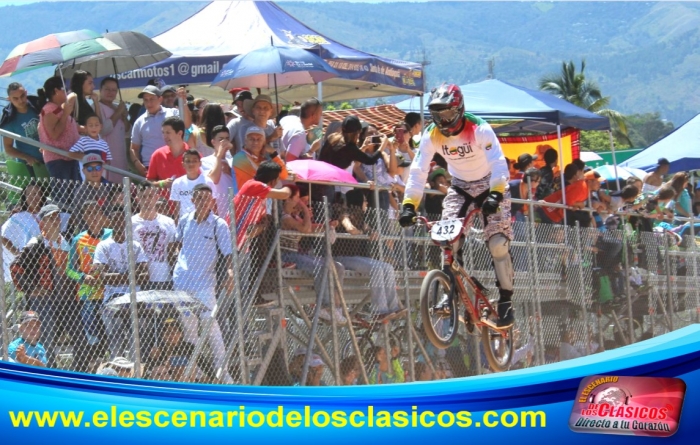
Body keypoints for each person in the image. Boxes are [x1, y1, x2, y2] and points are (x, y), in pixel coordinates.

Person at [399, 84, 515, 328]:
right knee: (448, 241)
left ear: (460, 109)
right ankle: (449, 290)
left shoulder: (480, 128)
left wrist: (495, 194)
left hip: (490, 185)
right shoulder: (431, 134)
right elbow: (418, 171)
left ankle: (506, 300)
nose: (443, 120)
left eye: (448, 113)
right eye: (437, 114)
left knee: (497, 243)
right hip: (460, 186)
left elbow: (498, 163)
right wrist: (409, 205)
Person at [170, 183, 234, 384]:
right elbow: (177, 243)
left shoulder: (218, 224)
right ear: (193, 200)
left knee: (210, 326)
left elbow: (228, 252)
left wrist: (230, 273)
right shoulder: (184, 220)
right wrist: (177, 260)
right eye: (199, 198)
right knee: (189, 328)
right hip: (182, 281)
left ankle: (223, 373)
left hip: (205, 284)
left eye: (206, 198)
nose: (203, 201)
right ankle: (195, 372)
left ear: (212, 201)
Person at [9, 204, 70, 367]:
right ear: (42, 223)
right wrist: (32, 288)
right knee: (46, 339)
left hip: (63, 299)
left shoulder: (64, 242)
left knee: (62, 336)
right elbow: (15, 267)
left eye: (57, 217)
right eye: (50, 218)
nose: (55, 221)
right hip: (43, 300)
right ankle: (46, 371)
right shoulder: (36, 243)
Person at [94, 205, 149, 360]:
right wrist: (133, 274)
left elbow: (145, 275)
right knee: (115, 339)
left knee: (135, 340)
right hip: (113, 298)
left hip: (134, 297)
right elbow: (104, 277)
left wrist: (117, 277)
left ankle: (133, 369)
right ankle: (116, 367)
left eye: (121, 219)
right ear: (110, 222)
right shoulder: (103, 246)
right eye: (115, 219)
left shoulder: (135, 245)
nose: (118, 222)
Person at [130, 85, 191, 176]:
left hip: (173, 162)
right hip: (150, 165)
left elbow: (187, 124)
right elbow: (134, 148)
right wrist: (137, 164)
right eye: (146, 100)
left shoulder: (173, 112)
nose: (149, 103)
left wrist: (183, 102)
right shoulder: (139, 122)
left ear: (160, 99)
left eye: (151, 99)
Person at [37, 75, 81, 185]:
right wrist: (65, 114)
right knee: (62, 191)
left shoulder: (59, 108)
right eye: (64, 89)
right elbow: (54, 134)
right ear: (56, 91)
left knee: (75, 191)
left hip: (69, 156)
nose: (67, 91)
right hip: (58, 158)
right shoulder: (49, 110)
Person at [132, 185, 177, 291]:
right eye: (143, 197)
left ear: (156, 197)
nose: (147, 200)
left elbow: (172, 249)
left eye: (150, 196)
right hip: (141, 278)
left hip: (164, 277)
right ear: (137, 199)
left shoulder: (168, 222)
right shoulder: (131, 223)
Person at [0, 82, 43, 174]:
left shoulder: (37, 105)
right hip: (28, 165)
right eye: (15, 98)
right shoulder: (9, 119)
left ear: (26, 93)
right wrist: (26, 157)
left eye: (22, 96)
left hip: (49, 158)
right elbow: (8, 148)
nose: (20, 100)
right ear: (9, 99)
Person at [231, 125, 288, 191]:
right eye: (251, 139)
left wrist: (273, 153)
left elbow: (284, 175)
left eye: (259, 139)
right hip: (247, 197)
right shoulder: (239, 158)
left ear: (264, 142)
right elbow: (257, 183)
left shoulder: (264, 159)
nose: (255, 142)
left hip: (261, 196)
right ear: (245, 141)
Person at [97, 77, 129, 182]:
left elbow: (127, 130)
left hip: (121, 159)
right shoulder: (97, 107)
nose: (110, 93)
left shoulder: (118, 107)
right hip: (107, 159)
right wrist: (118, 112)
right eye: (107, 89)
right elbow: (103, 130)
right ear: (100, 90)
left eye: (114, 90)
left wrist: (124, 117)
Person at [170, 149, 206, 222]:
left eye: (194, 161)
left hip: (204, 221)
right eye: (188, 161)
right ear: (183, 164)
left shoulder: (207, 181)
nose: (191, 164)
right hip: (185, 222)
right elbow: (177, 208)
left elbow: (212, 205)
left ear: (200, 163)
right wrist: (177, 225)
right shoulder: (177, 183)